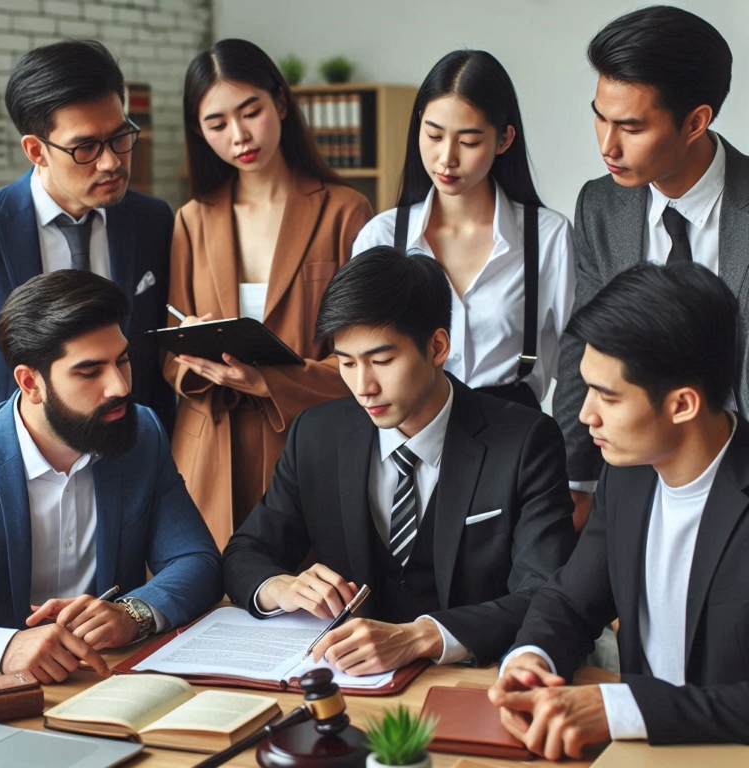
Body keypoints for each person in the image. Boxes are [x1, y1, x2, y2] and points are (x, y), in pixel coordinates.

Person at [223, 247, 576, 675]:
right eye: (346, 363)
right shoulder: (317, 434)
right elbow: (245, 552)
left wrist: (420, 636)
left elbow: (546, 592)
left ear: (438, 346)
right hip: (348, 683)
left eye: (382, 360)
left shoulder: (524, 441)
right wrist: (281, 587)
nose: (363, 386)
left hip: (472, 681)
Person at [491, 262, 749, 755]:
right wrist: (531, 659)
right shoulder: (629, 472)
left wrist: (619, 707)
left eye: (607, 396)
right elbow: (570, 600)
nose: (586, 414)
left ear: (683, 404)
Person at [164, 39, 373, 549]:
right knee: (207, 607)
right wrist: (195, 355)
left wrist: (270, 381)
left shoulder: (345, 211)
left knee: (306, 603)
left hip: (307, 443)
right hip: (210, 453)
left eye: (250, 111)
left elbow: (365, 355)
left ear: (280, 103)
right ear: (200, 132)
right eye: (217, 124)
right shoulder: (191, 220)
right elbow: (168, 354)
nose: (239, 136)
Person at [553, 5, 747, 530]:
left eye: (631, 127)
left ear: (695, 122)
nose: (607, 146)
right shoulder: (601, 204)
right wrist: (573, 479)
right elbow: (583, 343)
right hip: (639, 472)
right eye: (600, 116)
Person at [0, 270, 222, 684]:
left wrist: (135, 613)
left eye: (122, 360)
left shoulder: (141, 432)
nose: (120, 386)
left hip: (109, 683)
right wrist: (2, 646)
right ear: (30, 382)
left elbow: (196, 560)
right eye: (90, 372)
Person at [352, 50, 575, 411]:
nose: (447, 158)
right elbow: (358, 354)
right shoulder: (380, 237)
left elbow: (578, 362)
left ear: (504, 140)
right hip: (411, 433)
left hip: (515, 436)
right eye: (434, 135)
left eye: (468, 142)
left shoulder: (548, 237)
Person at [0, 40, 176, 433]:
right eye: (85, 147)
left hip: (132, 446)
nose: (112, 161)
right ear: (36, 150)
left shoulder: (153, 220)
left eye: (121, 137)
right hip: (13, 461)